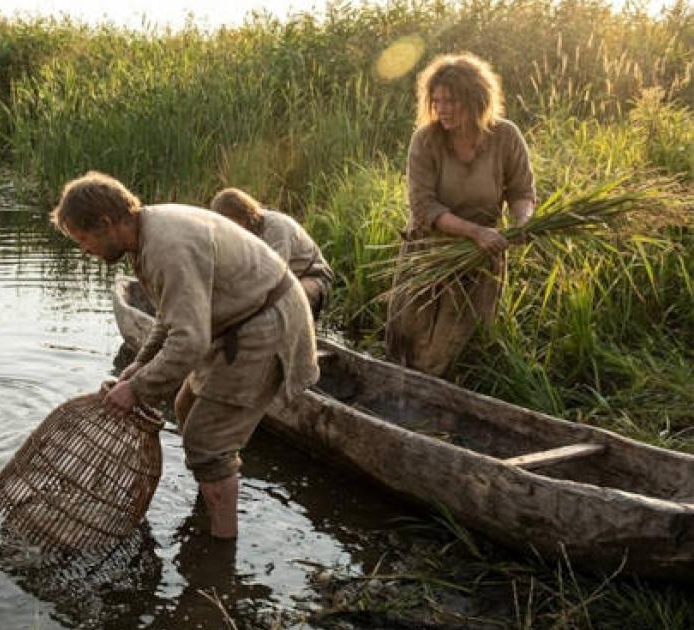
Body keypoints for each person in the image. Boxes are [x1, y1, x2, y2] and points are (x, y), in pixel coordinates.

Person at [51, 171, 319, 539]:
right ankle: (211, 497)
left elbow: (190, 341)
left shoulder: (165, 247)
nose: (84, 250)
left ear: (106, 223)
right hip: (242, 319)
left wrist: (136, 390)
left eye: (83, 239)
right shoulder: (148, 232)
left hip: (264, 326)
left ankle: (221, 550)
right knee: (185, 407)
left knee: (207, 441)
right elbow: (168, 318)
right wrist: (138, 367)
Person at [385, 53, 536, 377]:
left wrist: (521, 223)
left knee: (458, 345)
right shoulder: (425, 141)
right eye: (436, 101)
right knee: (411, 338)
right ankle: (402, 399)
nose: (441, 109)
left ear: (476, 98)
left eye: (451, 100)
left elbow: (522, 192)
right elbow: (424, 207)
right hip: (430, 248)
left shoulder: (505, 137)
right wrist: (475, 232)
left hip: (479, 256)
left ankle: (454, 400)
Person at [209, 187, 335, 320]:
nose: (226, 228)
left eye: (230, 222)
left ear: (244, 215)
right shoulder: (235, 232)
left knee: (286, 305)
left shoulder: (277, 229)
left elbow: (274, 278)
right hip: (281, 280)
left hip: (312, 277)